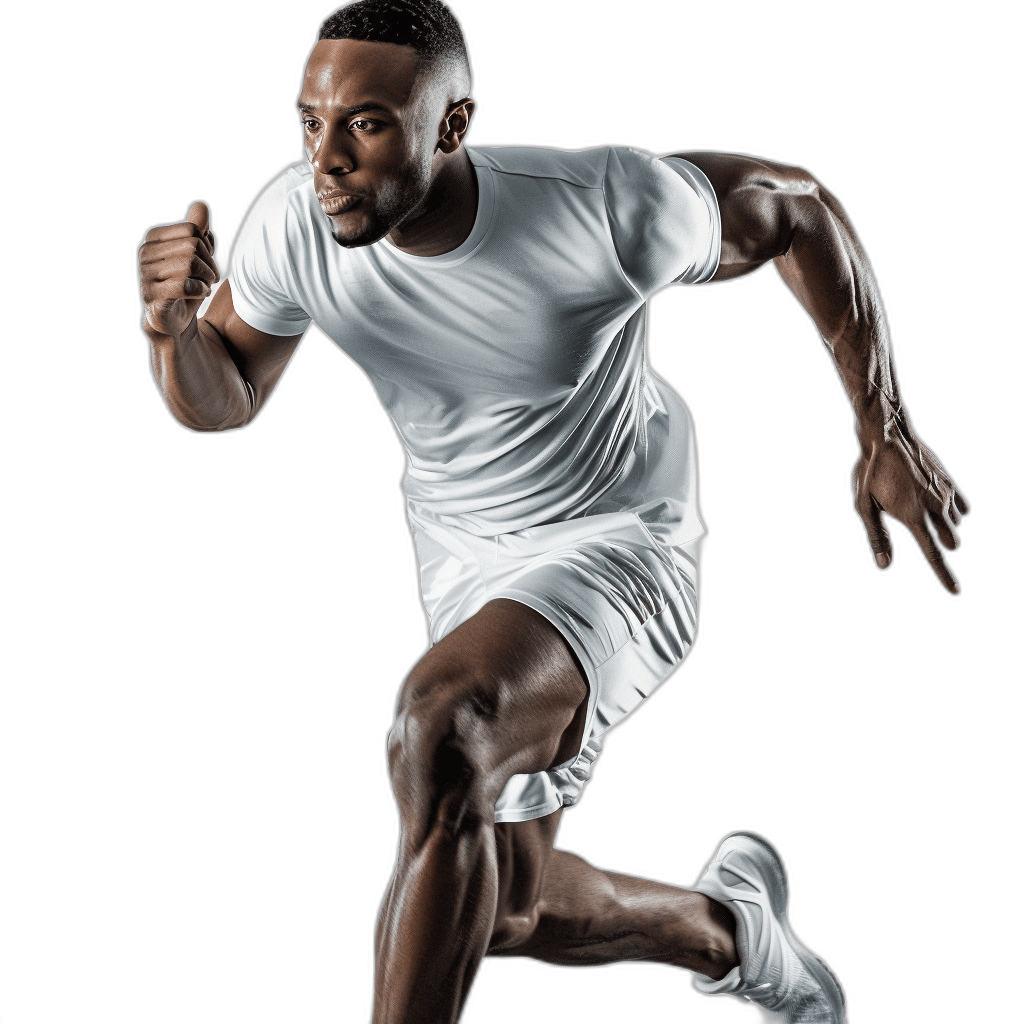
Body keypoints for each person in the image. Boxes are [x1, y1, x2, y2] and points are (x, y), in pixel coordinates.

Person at [136, 2, 968, 1021]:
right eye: (310, 123)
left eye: (366, 123)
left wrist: (879, 422)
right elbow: (224, 397)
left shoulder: (596, 207)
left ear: (450, 125)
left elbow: (794, 205)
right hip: (461, 560)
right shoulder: (294, 226)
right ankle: (735, 936)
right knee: (501, 910)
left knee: (438, 726)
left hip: (619, 540)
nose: (328, 159)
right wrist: (172, 331)